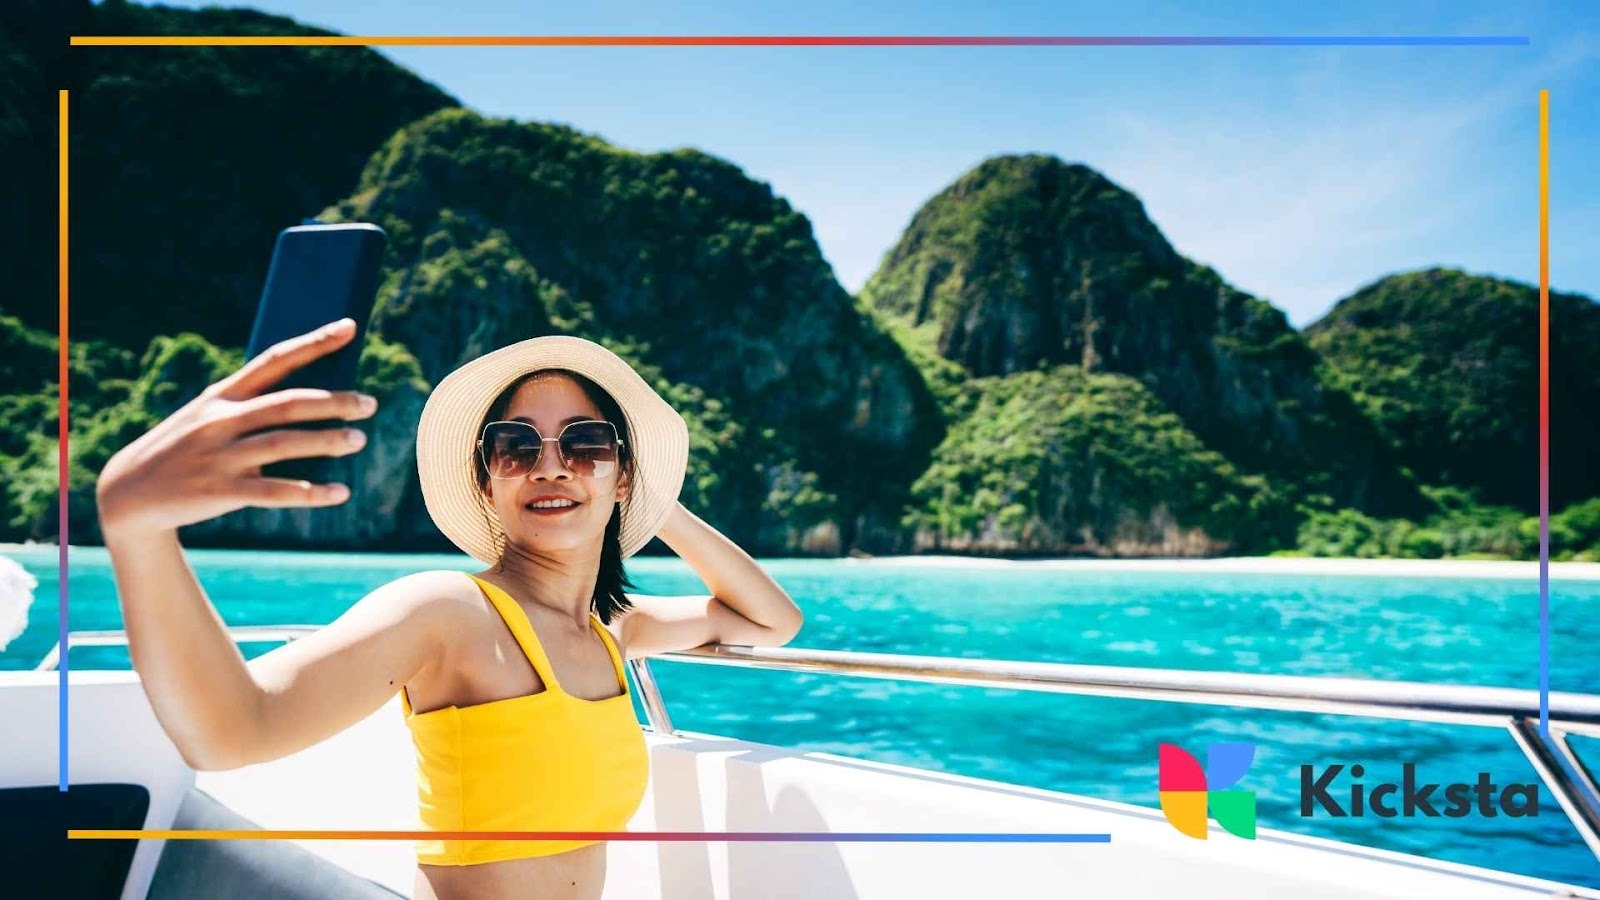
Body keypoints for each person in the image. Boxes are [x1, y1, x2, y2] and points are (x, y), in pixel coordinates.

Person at [95, 318, 804, 900]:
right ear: (488, 481)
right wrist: (139, 531)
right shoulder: (449, 612)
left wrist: (652, 498)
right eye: (515, 446)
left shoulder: (613, 629)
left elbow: (773, 620)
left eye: (586, 444)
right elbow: (233, 732)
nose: (550, 466)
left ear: (622, 474)